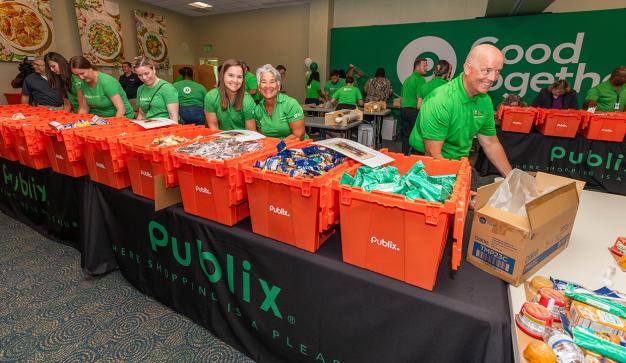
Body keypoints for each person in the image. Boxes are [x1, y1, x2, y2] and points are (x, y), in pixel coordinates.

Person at [409, 44, 512, 177]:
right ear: (468, 69)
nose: (493, 78)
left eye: (497, 71)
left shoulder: (484, 101)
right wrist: (460, 189)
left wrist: (511, 178)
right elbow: (433, 155)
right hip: (427, 160)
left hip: (459, 161)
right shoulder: (441, 100)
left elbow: (491, 143)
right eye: (487, 70)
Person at [254, 64, 306, 140]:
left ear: (278, 86)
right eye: (264, 82)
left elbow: (299, 135)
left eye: (272, 82)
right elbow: (262, 137)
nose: (268, 86)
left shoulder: (290, 104)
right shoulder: (258, 109)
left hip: (296, 148)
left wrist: (277, 147)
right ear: (259, 87)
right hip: (271, 149)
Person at [204, 59, 256, 131]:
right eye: (231, 75)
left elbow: (251, 132)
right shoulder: (211, 96)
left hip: (244, 139)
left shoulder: (247, 100)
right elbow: (214, 127)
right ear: (222, 75)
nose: (235, 80)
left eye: (239, 77)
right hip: (221, 138)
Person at [133, 56, 178, 121]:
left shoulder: (167, 88)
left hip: (164, 127)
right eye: (140, 75)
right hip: (148, 127)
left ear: (153, 69)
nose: (144, 78)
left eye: (146, 73)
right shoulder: (140, 89)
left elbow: (174, 117)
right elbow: (142, 114)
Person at [400, 58, 428, 155]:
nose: (426, 68)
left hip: (403, 111)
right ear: (417, 66)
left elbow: (402, 98)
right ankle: (414, 157)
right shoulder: (421, 80)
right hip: (413, 112)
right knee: (417, 136)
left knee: (406, 136)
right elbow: (419, 98)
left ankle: (404, 156)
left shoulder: (407, 80)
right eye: (424, 65)